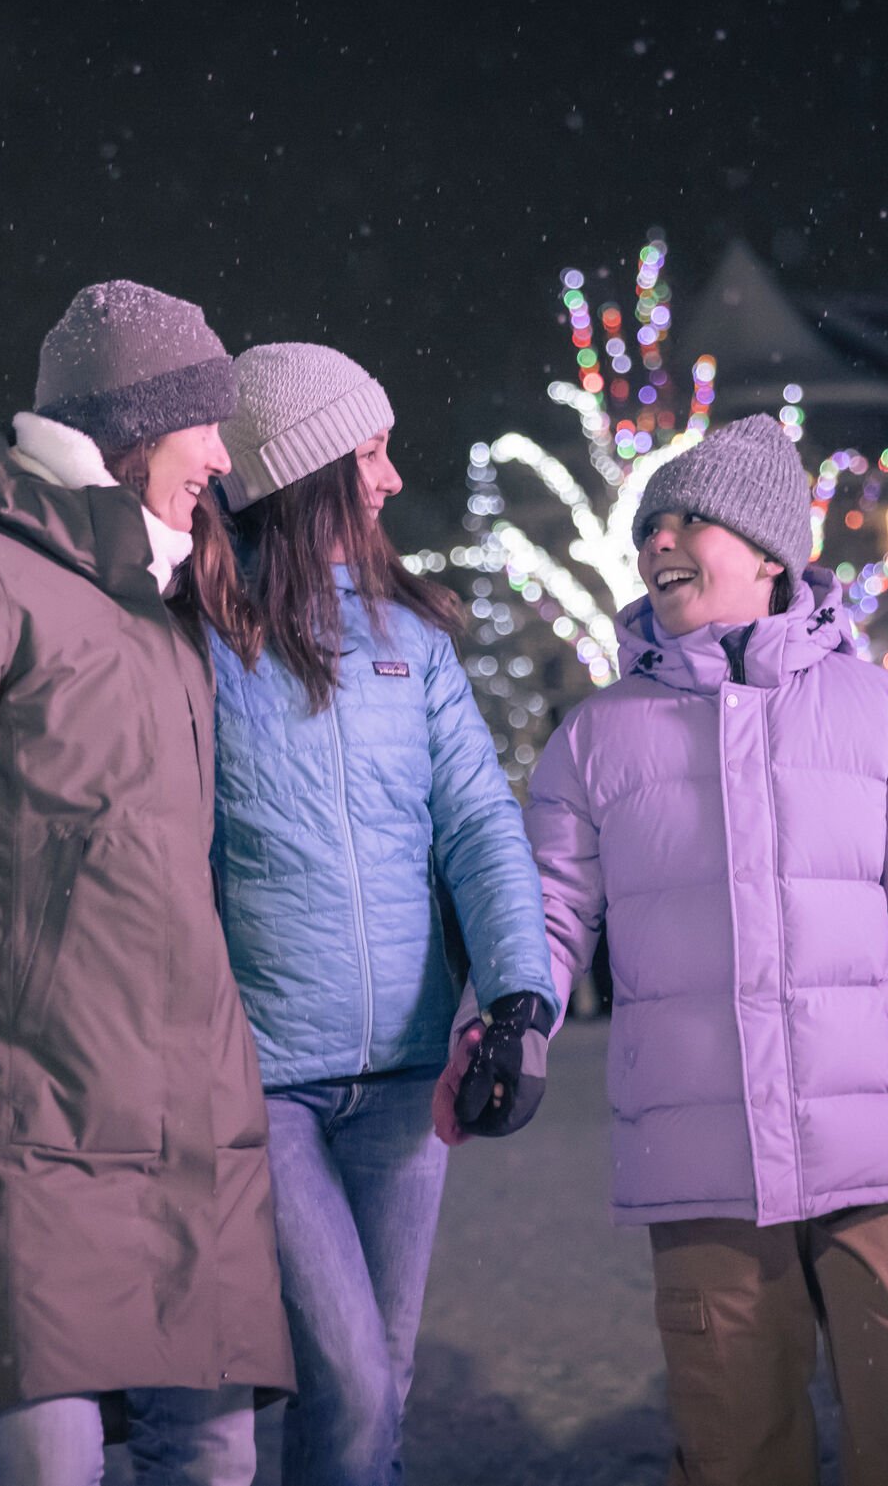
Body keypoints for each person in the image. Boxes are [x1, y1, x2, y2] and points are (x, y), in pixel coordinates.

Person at [0, 282, 293, 1480]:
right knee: (46, 1460)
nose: (219, 456)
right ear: (135, 425)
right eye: (203, 424)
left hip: (192, 1124)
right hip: (22, 1120)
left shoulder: (164, 611)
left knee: (214, 1460)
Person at [518, 415, 888, 1486]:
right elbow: (543, 916)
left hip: (875, 1154)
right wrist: (503, 1032)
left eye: (688, 520)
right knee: (734, 1449)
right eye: (649, 525)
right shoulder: (597, 737)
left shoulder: (884, 716)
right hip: (700, 1165)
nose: (659, 540)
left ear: (769, 555)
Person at [206, 343, 557, 1486]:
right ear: (303, 472)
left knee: (376, 1393)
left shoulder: (413, 640)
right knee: (350, 1381)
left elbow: (479, 822)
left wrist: (520, 993)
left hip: (407, 1081)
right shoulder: (199, 638)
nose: (393, 478)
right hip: (265, 1086)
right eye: (369, 453)